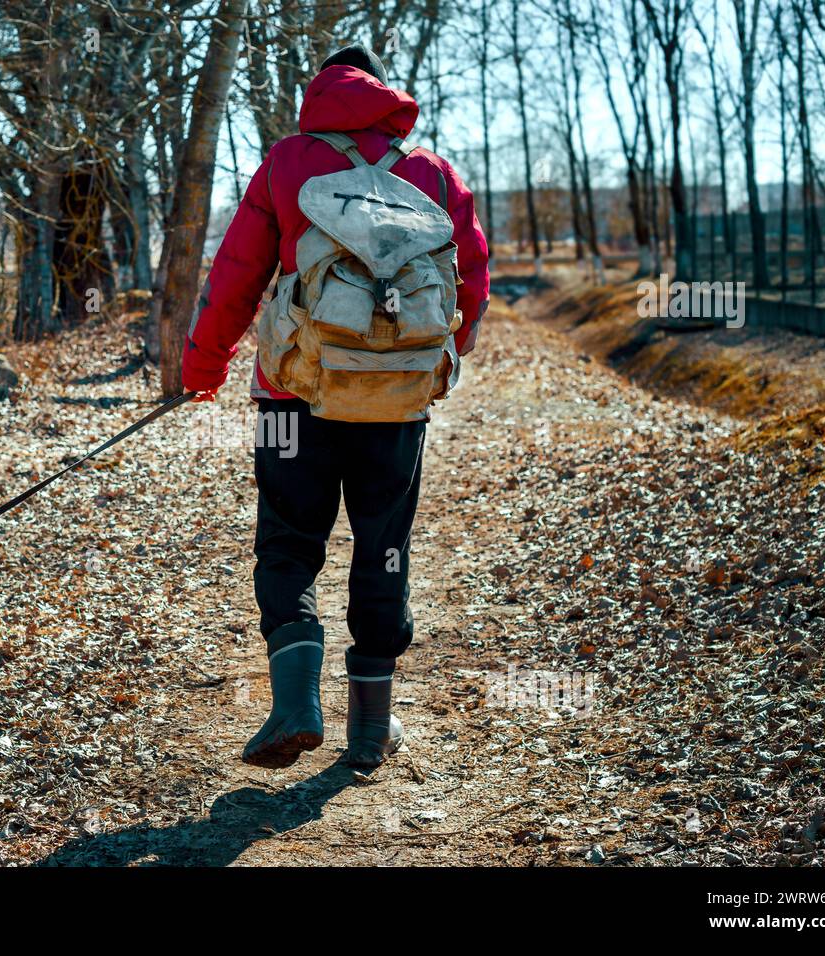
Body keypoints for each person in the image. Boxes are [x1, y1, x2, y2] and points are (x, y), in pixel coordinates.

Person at [180, 43, 490, 769]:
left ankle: (295, 704)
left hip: (292, 403)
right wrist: (457, 339)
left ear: (318, 93)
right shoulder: (433, 175)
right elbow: (471, 272)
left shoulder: (288, 164)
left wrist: (204, 366)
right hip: (396, 404)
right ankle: (372, 730)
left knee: (289, 541)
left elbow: (237, 276)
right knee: (383, 545)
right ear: (385, 96)